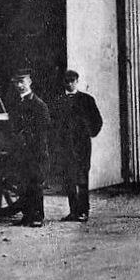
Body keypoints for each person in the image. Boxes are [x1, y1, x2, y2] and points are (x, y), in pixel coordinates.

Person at [51, 69, 103, 222]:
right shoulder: (58, 101)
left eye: (72, 81)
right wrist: (58, 139)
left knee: (82, 177)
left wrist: (89, 133)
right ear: (64, 82)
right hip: (65, 145)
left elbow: (97, 120)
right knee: (69, 178)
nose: (69, 84)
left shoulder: (87, 100)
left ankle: (83, 211)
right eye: (67, 81)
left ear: (77, 81)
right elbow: (53, 123)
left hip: (82, 145)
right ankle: (73, 211)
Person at [8, 68, 51, 228]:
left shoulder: (38, 105)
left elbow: (43, 131)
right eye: (17, 83)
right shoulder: (17, 104)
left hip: (36, 151)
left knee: (36, 184)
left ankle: (38, 217)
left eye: (22, 82)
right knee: (24, 184)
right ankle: (27, 216)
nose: (20, 86)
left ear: (29, 82)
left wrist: (38, 151)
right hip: (22, 151)